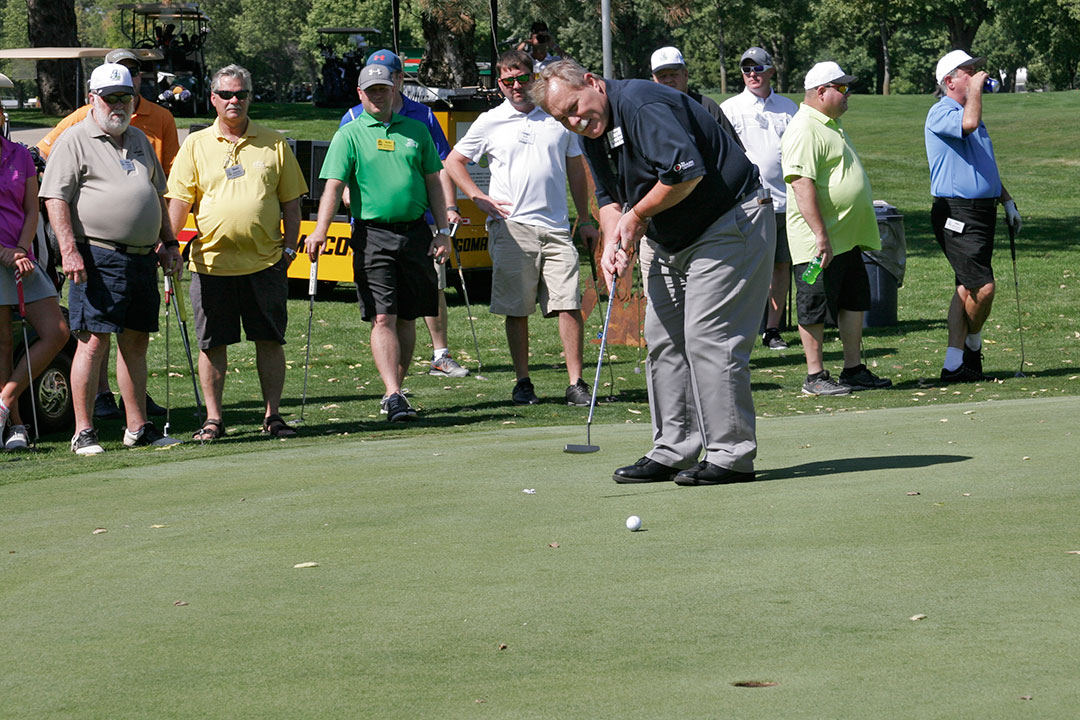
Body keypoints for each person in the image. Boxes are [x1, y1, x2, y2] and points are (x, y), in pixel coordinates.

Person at [531, 59, 774, 486]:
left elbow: (685, 174)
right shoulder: (590, 130)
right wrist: (614, 244)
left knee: (708, 338)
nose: (574, 120)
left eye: (575, 106)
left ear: (592, 83)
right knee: (663, 342)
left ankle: (731, 456)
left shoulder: (640, 104)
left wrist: (636, 217)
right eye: (562, 117)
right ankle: (674, 450)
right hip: (669, 238)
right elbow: (607, 197)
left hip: (727, 220)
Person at [40, 62, 182, 454]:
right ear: (92, 100)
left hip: (141, 258)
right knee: (92, 342)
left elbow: (156, 194)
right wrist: (68, 251)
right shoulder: (74, 140)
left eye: (126, 97)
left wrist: (169, 243)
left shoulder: (137, 138)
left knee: (135, 342)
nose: (119, 105)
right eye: (110, 98)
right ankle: (83, 431)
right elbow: (55, 198)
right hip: (95, 255)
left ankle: (137, 426)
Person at [444, 49, 598, 406]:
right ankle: (523, 381)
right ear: (499, 84)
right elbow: (454, 161)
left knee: (569, 304)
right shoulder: (490, 120)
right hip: (512, 228)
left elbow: (576, 169)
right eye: (508, 80)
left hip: (557, 227)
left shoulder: (557, 116)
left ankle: (575, 383)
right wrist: (477, 196)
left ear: (535, 79)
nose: (516, 86)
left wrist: (585, 218)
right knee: (517, 309)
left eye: (522, 78)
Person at [166, 64, 308, 440]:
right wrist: (169, 246)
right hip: (210, 264)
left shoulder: (274, 142)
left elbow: (292, 203)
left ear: (249, 97)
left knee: (270, 340)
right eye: (226, 94)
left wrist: (290, 250)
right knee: (213, 344)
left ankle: (273, 416)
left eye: (241, 94)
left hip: (266, 263)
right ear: (213, 99)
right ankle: (214, 419)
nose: (234, 101)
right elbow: (179, 202)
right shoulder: (195, 145)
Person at [304, 64, 450, 422]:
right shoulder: (350, 134)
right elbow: (334, 187)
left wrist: (443, 229)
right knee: (383, 314)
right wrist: (321, 229)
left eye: (383, 88)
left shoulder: (417, 129)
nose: (377, 95)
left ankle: (395, 393)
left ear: (395, 88)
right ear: (360, 93)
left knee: (409, 316)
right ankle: (393, 392)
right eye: (370, 90)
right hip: (372, 235)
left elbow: (434, 181)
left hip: (415, 232)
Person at [339, 49, 469, 381]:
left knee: (422, 299)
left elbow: (438, 169)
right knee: (384, 313)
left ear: (399, 79)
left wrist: (447, 213)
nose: (383, 85)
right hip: (371, 228)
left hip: (420, 224)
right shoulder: (353, 118)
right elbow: (340, 176)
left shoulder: (422, 116)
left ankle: (437, 355)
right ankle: (392, 388)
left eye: (390, 76)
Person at [781, 62, 892, 397]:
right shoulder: (804, 127)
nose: (847, 95)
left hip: (846, 238)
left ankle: (853, 370)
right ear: (821, 92)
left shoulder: (832, 124)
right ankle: (815, 376)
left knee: (853, 301)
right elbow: (802, 184)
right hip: (817, 241)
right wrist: (820, 234)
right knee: (814, 303)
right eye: (841, 88)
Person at [925, 49, 1021, 383]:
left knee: (966, 288)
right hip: (956, 212)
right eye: (969, 71)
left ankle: (954, 365)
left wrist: (1006, 200)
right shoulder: (942, 112)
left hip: (982, 211)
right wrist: (977, 91)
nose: (976, 74)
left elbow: (985, 166)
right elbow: (968, 124)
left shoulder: (972, 113)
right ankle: (972, 345)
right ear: (950, 81)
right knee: (983, 288)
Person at [639, 46, 744, 283]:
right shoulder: (645, 114)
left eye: (674, 74)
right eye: (662, 75)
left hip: (710, 223)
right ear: (653, 79)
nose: (668, 80)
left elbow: (735, 158)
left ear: (685, 74)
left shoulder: (706, 108)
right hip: (660, 225)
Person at [721, 47, 799, 351]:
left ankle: (772, 329)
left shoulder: (788, 108)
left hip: (784, 201)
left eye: (757, 69)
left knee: (780, 266)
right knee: (745, 268)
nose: (751, 75)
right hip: (747, 203)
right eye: (746, 70)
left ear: (770, 71)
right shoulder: (730, 108)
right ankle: (740, 326)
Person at [0, 134, 69, 450]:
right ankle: (15, 427)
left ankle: (4, 400)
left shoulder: (20, 155)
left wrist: (20, 249)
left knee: (57, 332)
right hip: (4, 255)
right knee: (2, 341)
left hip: (20, 258)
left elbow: (31, 210)